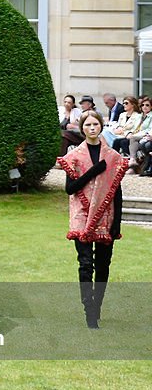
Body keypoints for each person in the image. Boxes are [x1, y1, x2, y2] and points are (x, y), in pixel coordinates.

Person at [57, 110, 125, 329]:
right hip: (82, 214)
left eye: (96, 124)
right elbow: (70, 189)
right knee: (86, 264)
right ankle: (89, 310)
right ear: (82, 128)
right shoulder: (74, 157)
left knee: (103, 265)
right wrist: (94, 171)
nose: (92, 128)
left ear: (101, 126)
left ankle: (98, 306)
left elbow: (117, 192)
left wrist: (117, 223)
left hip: (106, 215)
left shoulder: (113, 157)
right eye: (88, 125)